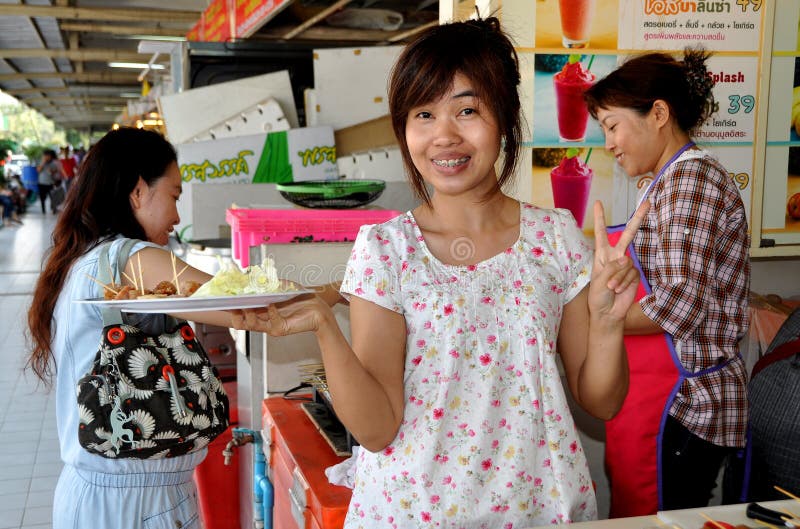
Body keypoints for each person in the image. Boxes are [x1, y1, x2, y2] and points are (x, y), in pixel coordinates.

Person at [235, 18, 648, 528]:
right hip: (412, 512)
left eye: (467, 111)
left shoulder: (555, 237)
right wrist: (324, 325)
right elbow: (377, 430)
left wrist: (607, 324)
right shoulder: (385, 250)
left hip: (538, 508)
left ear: (505, 118)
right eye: (423, 114)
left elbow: (601, 402)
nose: (443, 136)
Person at [25, 127, 343, 529]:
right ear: (138, 191)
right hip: (133, 504)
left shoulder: (85, 258)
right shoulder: (132, 256)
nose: (177, 217)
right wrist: (337, 292)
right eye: (174, 196)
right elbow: (240, 299)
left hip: (105, 493)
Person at [584, 48, 750, 515]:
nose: (610, 143)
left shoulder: (691, 181)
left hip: (689, 402)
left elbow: (678, 305)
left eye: (613, 125)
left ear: (658, 113)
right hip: (664, 395)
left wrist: (595, 324)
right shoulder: (663, 182)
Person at [36, 148, 64, 214]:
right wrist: (43, 163)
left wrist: (52, 171)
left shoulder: (53, 162)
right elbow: (38, 170)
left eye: (48, 156)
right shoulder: (41, 162)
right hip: (42, 183)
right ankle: (43, 210)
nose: (47, 157)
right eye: (46, 155)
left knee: (53, 197)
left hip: (50, 182)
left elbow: (56, 170)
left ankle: (53, 209)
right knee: (42, 198)